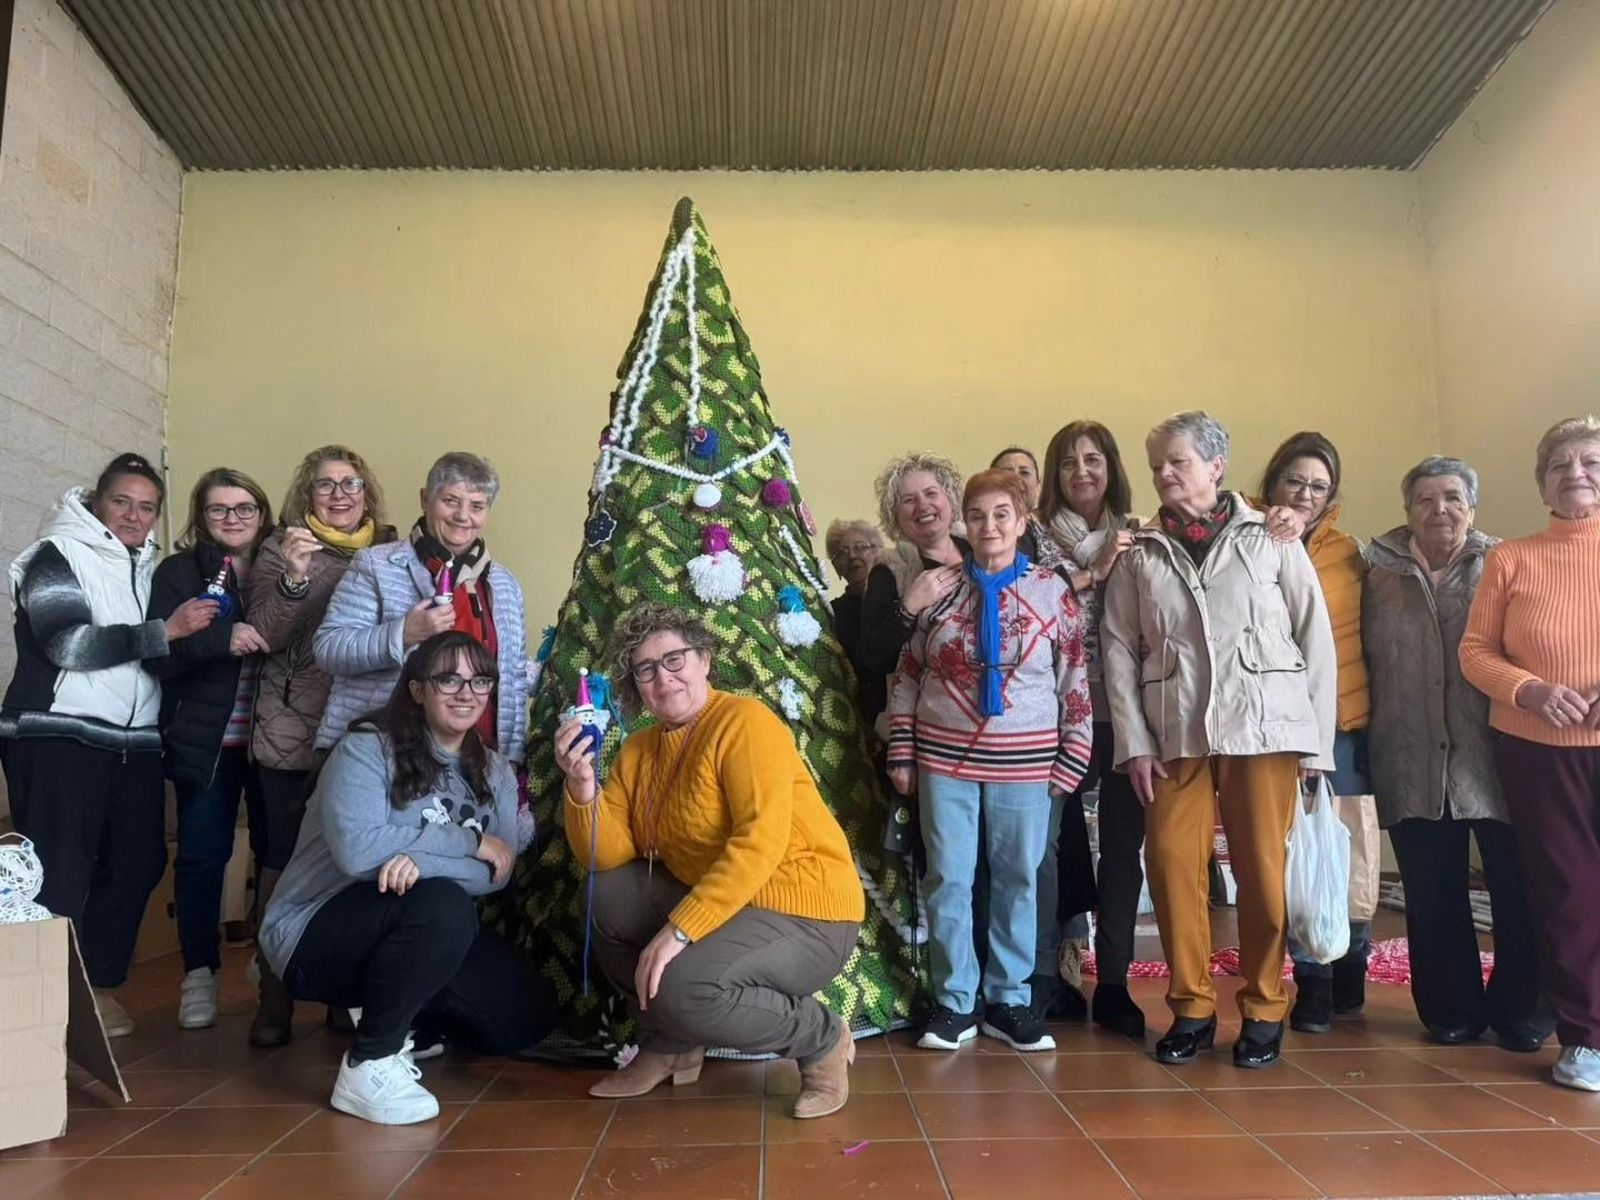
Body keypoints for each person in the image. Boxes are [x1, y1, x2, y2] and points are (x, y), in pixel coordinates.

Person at [553, 603, 864, 1119]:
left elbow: (758, 843)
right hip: (733, 905)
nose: (664, 677)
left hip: (807, 909)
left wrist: (679, 931)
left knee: (684, 986)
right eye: (646, 669)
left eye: (675, 659)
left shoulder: (744, 722)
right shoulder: (638, 750)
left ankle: (822, 1038)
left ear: (703, 660)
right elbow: (605, 855)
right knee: (602, 897)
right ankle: (669, 1045)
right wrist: (583, 788)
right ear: (636, 685)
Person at [1102, 411, 1335, 1070]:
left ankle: (1264, 1006)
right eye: (1156, 465)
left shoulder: (1273, 537)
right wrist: (1135, 743)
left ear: (1215, 466)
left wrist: (1315, 745)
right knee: (1174, 869)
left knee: (1263, 873)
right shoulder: (1139, 550)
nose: (1165, 474)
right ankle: (1192, 1007)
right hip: (1174, 731)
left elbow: (1314, 636)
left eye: (1177, 460)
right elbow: (1118, 648)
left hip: (1265, 727)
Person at [258, 632, 555, 1125]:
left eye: (479, 680)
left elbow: (497, 873)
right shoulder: (366, 750)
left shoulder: (496, 771)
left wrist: (418, 858)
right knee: (440, 903)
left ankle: (411, 1016)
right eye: (448, 679)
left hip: (417, 923)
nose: (466, 692)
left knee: (524, 1015)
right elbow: (358, 852)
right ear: (417, 689)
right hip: (313, 934)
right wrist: (465, 842)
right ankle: (370, 1061)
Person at [1, 453, 219, 1037]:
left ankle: (93, 986)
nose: (134, 515)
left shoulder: (149, 569)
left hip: (135, 742)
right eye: (122, 501)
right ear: (96, 500)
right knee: (59, 871)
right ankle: (43, 1007)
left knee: (141, 859)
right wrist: (165, 631)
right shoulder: (54, 554)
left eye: (147, 507)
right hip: (55, 733)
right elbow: (66, 644)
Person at [886, 468, 1093, 1053]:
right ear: (963, 522)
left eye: (1002, 514)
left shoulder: (1053, 591)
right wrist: (902, 748)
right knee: (949, 878)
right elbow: (907, 675)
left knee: (1016, 880)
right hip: (944, 760)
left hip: (1026, 764)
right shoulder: (939, 589)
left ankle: (1009, 1000)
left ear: (1022, 521)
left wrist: (1074, 751)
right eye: (977, 515)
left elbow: (1075, 675)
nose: (989, 525)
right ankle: (955, 1003)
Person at [1365, 456, 1552, 1054]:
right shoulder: (1375, 572)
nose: (1438, 509)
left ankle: (1524, 1009)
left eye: (1452, 497)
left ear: (1472, 507)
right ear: (1407, 510)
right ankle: (1451, 1011)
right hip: (1409, 753)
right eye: (1424, 499)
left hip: (1497, 751)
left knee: (1517, 886)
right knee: (1431, 888)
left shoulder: (1506, 562)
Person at [1461, 416, 1600, 1092]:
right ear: (1542, 481)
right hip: (1540, 750)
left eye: (1590, 461)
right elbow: (1476, 651)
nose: (1576, 473)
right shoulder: (1512, 557)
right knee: (1568, 890)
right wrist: (1530, 690)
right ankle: (1586, 1039)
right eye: (1561, 464)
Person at [246, 444, 397, 1046]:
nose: (339, 494)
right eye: (325, 485)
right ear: (306, 496)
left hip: (361, 732)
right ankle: (273, 998)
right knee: (282, 867)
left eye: (351, 483)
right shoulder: (282, 548)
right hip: (291, 730)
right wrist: (293, 579)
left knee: (354, 866)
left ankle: (341, 993)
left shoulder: (391, 551)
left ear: (367, 492)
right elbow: (262, 632)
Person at [146, 469, 275, 1030]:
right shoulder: (178, 572)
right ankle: (199, 972)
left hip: (275, 740)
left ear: (263, 514)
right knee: (202, 855)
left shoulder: (282, 566)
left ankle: (271, 964)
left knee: (280, 857)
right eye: (220, 509)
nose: (233, 519)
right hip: (208, 742)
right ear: (201, 516)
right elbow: (159, 655)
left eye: (244, 508)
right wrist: (220, 640)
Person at [1256, 432, 1377, 1032]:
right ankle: (1314, 982)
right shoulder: (1245, 540)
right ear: (1273, 482)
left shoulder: (1348, 553)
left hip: (1341, 724)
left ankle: (1350, 961)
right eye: (1295, 481)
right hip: (1272, 725)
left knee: (1348, 853)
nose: (1304, 494)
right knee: (1289, 854)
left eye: (1318, 486)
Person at [1035, 420, 1145, 1035]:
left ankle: (1117, 981)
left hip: (1128, 712)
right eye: (1069, 461)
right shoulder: (1034, 538)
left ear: (1111, 467)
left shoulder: (1140, 533)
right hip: (1054, 715)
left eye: (1094, 459)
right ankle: (1052, 974)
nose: (1082, 471)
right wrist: (1094, 569)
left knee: (1124, 849)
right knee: (1055, 848)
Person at [315, 452, 529, 763]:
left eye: (477, 506)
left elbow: (513, 679)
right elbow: (328, 649)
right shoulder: (377, 565)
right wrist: (403, 633)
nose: (462, 516)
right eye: (451, 501)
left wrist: (511, 758)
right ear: (425, 498)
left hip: (478, 757)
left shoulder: (505, 584)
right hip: (385, 754)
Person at [857, 453, 969, 735]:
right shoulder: (888, 571)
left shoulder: (981, 549)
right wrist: (908, 606)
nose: (923, 505)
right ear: (895, 516)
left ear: (950, 499)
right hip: (929, 723)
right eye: (909, 500)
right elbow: (874, 657)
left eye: (931, 493)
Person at [824, 517, 887, 716]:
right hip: (854, 714)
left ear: (878, 554)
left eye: (860, 547)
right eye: (842, 553)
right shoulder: (831, 613)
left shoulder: (900, 600)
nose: (852, 556)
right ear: (836, 567)